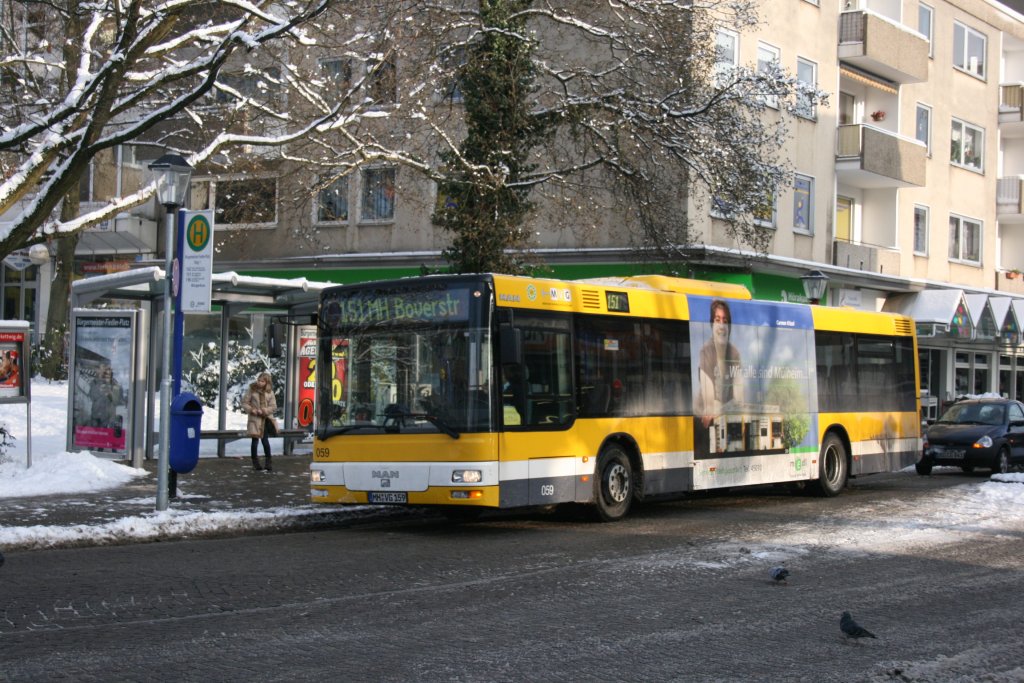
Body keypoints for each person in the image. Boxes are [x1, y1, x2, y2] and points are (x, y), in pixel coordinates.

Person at [694, 300, 744, 454]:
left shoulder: (734, 354)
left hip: (726, 419)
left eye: (725, 321)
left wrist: (723, 409)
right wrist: (725, 407)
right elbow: (709, 405)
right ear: (712, 325)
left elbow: (739, 397)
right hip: (703, 422)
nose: (721, 325)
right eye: (717, 320)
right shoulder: (706, 351)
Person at [241, 372, 278, 471]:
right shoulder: (252, 389)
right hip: (254, 419)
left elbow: (273, 406)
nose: (259, 383)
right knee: (254, 441)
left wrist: (264, 410)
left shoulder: (270, 392)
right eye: (259, 380)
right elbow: (244, 402)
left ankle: (268, 462)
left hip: (265, 419)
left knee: (265, 441)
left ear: (266, 382)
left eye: (262, 381)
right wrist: (251, 410)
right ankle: (255, 463)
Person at [89, 363, 122, 428]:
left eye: (108, 370)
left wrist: (109, 393)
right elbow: (91, 397)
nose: (105, 371)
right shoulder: (94, 382)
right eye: (103, 368)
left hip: (109, 420)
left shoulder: (115, 384)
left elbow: (116, 401)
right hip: (95, 417)